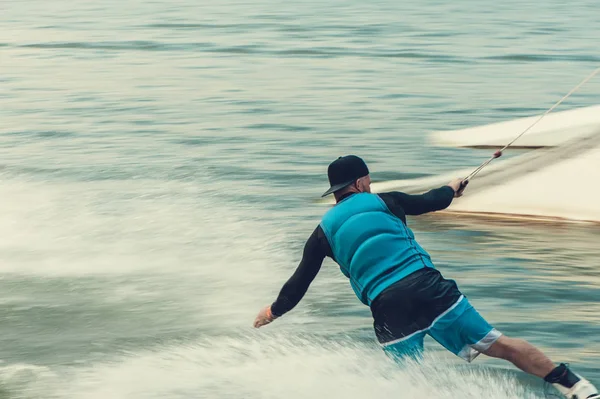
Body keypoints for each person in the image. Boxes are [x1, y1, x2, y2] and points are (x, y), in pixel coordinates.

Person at [253, 155, 599, 399]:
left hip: (388, 307)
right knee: (498, 345)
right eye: (367, 180)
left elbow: (298, 284)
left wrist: (273, 311)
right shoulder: (386, 201)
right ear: (360, 182)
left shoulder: (321, 234)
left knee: (410, 382)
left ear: (337, 190)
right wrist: (452, 186)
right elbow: (433, 201)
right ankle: (572, 385)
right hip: (428, 287)